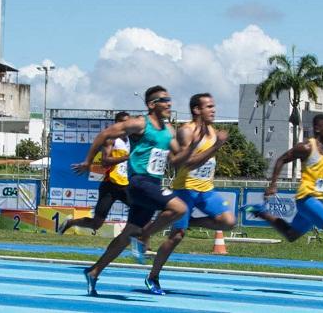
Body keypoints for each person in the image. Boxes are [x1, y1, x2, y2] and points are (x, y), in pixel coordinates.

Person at [72, 85, 200, 296]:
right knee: (179, 208)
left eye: (170, 99)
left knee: (126, 235)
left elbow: (177, 159)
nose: (169, 103)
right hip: (139, 183)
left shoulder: (169, 131)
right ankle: (143, 238)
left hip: (153, 185)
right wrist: (87, 161)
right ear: (152, 104)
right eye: (164, 100)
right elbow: (105, 134)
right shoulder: (140, 123)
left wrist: (193, 149)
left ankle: (94, 271)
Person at [241, 114, 323, 284]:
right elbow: (281, 159)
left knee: (291, 234)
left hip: (318, 200)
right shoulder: (306, 147)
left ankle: (261, 212)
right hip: (306, 198)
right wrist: (273, 184)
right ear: (317, 128)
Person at [144, 93, 235, 295]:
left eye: (214, 106)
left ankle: (189, 222)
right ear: (196, 109)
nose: (213, 110)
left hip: (206, 189)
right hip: (185, 189)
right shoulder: (187, 131)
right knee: (177, 236)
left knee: (228, 222)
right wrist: (217, 146)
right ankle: (153, 276)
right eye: (209, 106)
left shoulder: (212, 130)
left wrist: (215, 143)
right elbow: (188, 163)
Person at [58, 111, 131, 235]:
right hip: (110, 185)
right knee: (96, 224)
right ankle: (71, 223)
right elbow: (105, 161)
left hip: (125, 185)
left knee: (140, 209)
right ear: (117, 124)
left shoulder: (129, 139)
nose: (127, 125)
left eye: (128, 122)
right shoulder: (111, 139)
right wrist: (126, 158)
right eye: (123, 122)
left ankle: (136, 237)